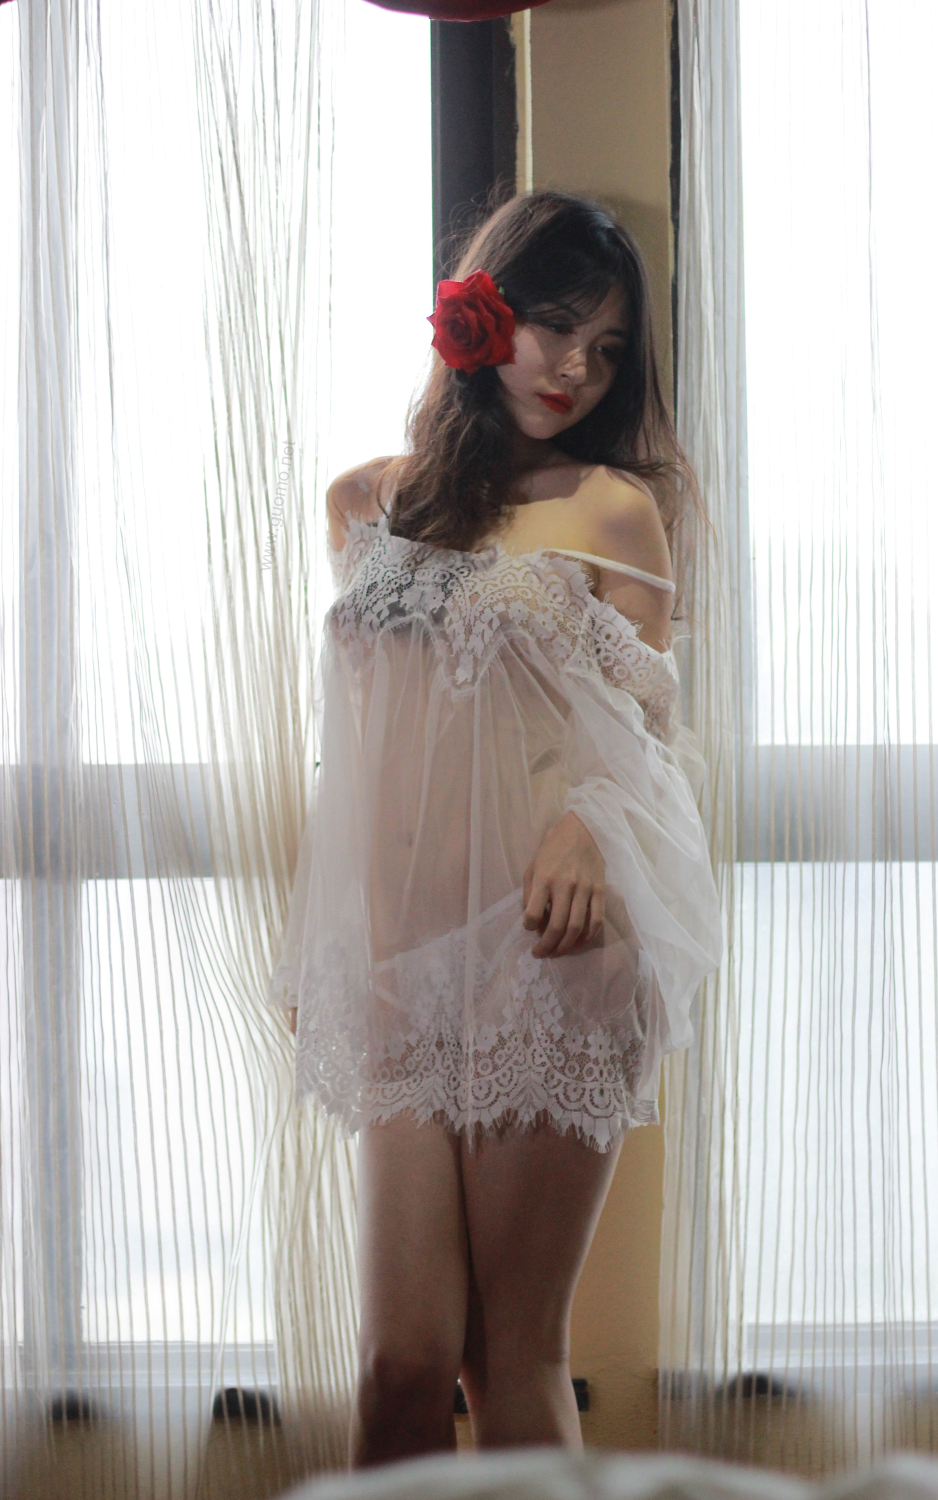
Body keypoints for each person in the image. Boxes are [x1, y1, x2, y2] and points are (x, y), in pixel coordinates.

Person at [267, 190, 723, 1466]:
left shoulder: (613, 509)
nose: (577, 368)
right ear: (482, 315)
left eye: (608, 348)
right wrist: (329, 943)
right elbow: (362, 745)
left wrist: (589, 824)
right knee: (398, 1364)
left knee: (510, 1359)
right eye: (556, 326)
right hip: (399, 962)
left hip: (548, 949)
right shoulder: (364, 504)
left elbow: (651, 739)